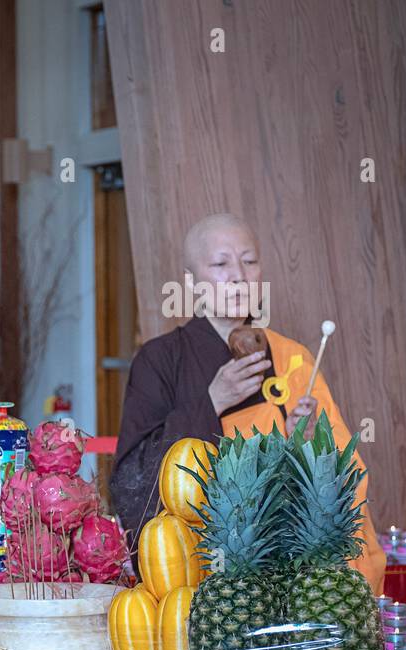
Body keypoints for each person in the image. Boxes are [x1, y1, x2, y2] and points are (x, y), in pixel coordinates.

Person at [111, 213, 384, 591]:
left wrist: (304, 445)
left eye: (249, 260)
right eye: (221, 263)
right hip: (205, 582)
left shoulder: (294, 356)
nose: (239, 275)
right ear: (192, 282)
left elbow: (344, 473)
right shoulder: (159, 359)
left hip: (295, 578)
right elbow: (130, 480)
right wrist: (211, 402)